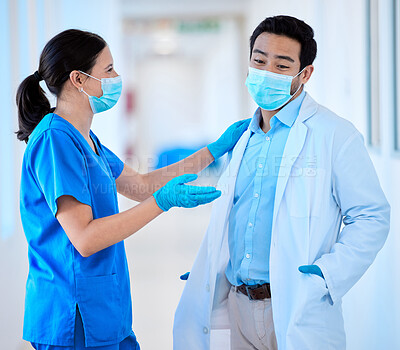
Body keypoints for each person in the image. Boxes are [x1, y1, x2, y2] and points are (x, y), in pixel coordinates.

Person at [16, 29, 250, 350]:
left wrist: (212, 151)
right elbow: (85, 238)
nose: (117, 78)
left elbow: (140, 185)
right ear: (79, 79)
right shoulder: (55, 141)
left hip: (102, 310)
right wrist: (163, 202)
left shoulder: (85, 139)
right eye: (108, 70)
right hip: (73, 316)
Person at [173, 15, 391, 350]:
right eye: (259, 61)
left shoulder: (335, 135)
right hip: (234, 304)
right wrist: (210, 271)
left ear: (305, 74)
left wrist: (326, 275)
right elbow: (237, 216)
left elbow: (372, 216)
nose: (266, 72)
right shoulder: (242, 137)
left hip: (294, 306)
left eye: (281, 65)